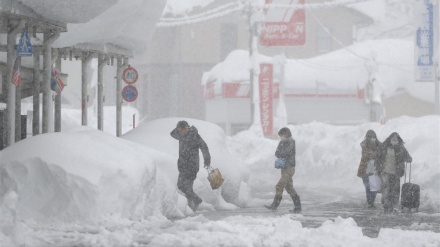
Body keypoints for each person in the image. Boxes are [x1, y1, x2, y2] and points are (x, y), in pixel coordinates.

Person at [170, 120, 211, 212]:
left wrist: (207, 160)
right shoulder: (180, 136)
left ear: (187, 128)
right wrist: (178, 129)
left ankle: (191, 206)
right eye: (180, 129)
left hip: (192, 165)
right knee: (180, 185)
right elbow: (172, 134)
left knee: (187, 187)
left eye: (183, 129)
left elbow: (204, 147)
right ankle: (194, 201)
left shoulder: (194, 136)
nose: (182, 131)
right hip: (182, 165)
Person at [265, 127, 301, 213]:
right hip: (284, 168)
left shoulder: (291, 141)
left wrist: (281, 152)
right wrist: (281, 152)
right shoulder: (282, 142)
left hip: (289, 168)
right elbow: (277, 153)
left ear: (286, 134)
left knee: (279, 185)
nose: (281, 137)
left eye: (282, 135)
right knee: (289, 188)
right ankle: (298, 206)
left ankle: (275, 205)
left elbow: (287, 152)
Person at [377, 132, 412, 213]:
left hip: (396, 172)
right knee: (386, 188)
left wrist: (409, 159)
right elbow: (379, 158)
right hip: (385, 172)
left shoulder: (401, 148)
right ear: (389, 139)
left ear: (398, 140)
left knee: (394, 190)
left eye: (396, 139)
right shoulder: (384, 147)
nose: (394, 141)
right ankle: (386, 203)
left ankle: (392, 205)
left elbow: (407, 157)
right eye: (393, 139)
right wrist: (379, 167)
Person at [357, 130, 381, 209]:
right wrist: (376, 153)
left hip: (375, 169)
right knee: (368, 186)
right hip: (365, 169)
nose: (372, 139)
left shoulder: (379, 145)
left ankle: (372, 202)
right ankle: (370, 203)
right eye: (370, 137)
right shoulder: (364, 145)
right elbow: (366, 155)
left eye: (373, 137)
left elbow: (381, 154)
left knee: (374, 187)